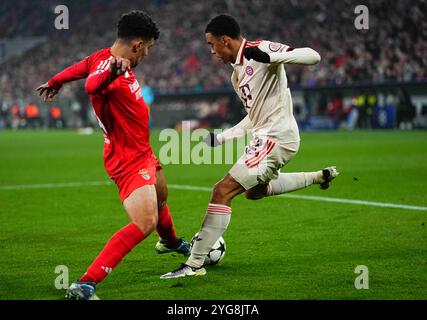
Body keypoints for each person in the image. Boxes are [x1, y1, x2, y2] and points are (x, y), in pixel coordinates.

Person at [161, 14, 339, 279]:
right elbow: (253, 117)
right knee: (255, 192)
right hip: (266, 136)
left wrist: (273, 57)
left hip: (276, 137)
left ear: (225, 40)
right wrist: (221, 138)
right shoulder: (236, 76)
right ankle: (318, 176)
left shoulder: (260, 50)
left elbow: (313, 56)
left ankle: (194, 264)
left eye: (212, 45)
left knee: (222, 191)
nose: (211, 51)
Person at [36, 10, 191, 299]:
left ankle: (171, 242)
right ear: (137, 44)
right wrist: (111, 72)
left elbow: (80, 67)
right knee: (145, 222)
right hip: (127, 159)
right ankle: (85, 283)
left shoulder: (103, 57)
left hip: (142, 151)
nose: (147, 55)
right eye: (148, 48)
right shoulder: (109, 68)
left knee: (161, 196)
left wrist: (56, 81)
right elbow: (91, 85)